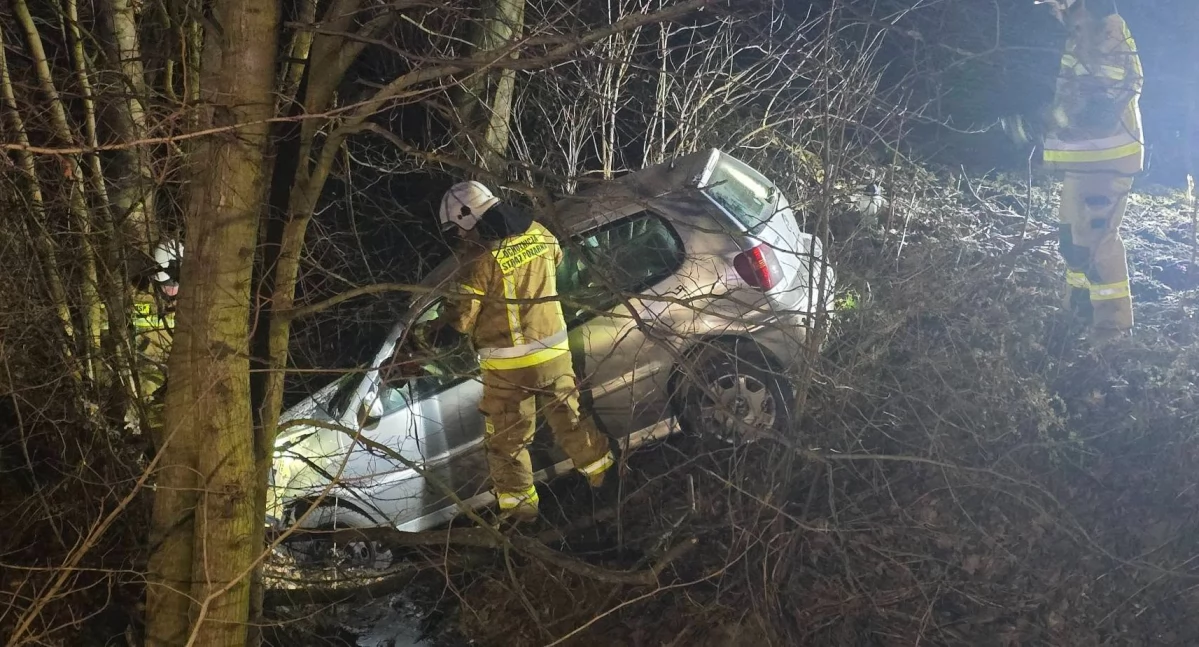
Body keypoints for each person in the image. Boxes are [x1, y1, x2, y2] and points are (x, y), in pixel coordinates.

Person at [419, 180, 615, 522]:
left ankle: (520, 516)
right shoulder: (539, 232)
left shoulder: (479, 257)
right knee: (571, 420)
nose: (460, 236)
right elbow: (557, 260)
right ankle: (606, 480)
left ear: (468, 216)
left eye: (457, 228)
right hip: (554, 353)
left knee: (507, 443)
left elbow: (460, 318)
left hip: (509, 369)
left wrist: (426, 336)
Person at [1038, 0, 1143, 342]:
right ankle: (1077, 317)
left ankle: (1111, 333)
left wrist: (1056, 120)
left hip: (1105, 159)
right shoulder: (1081, 34)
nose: (1051, 10)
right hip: (1084, 161)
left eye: (1053, 3)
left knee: (1096, 243)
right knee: (1073, 241)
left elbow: (1103, 101)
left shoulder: (1105, 31)